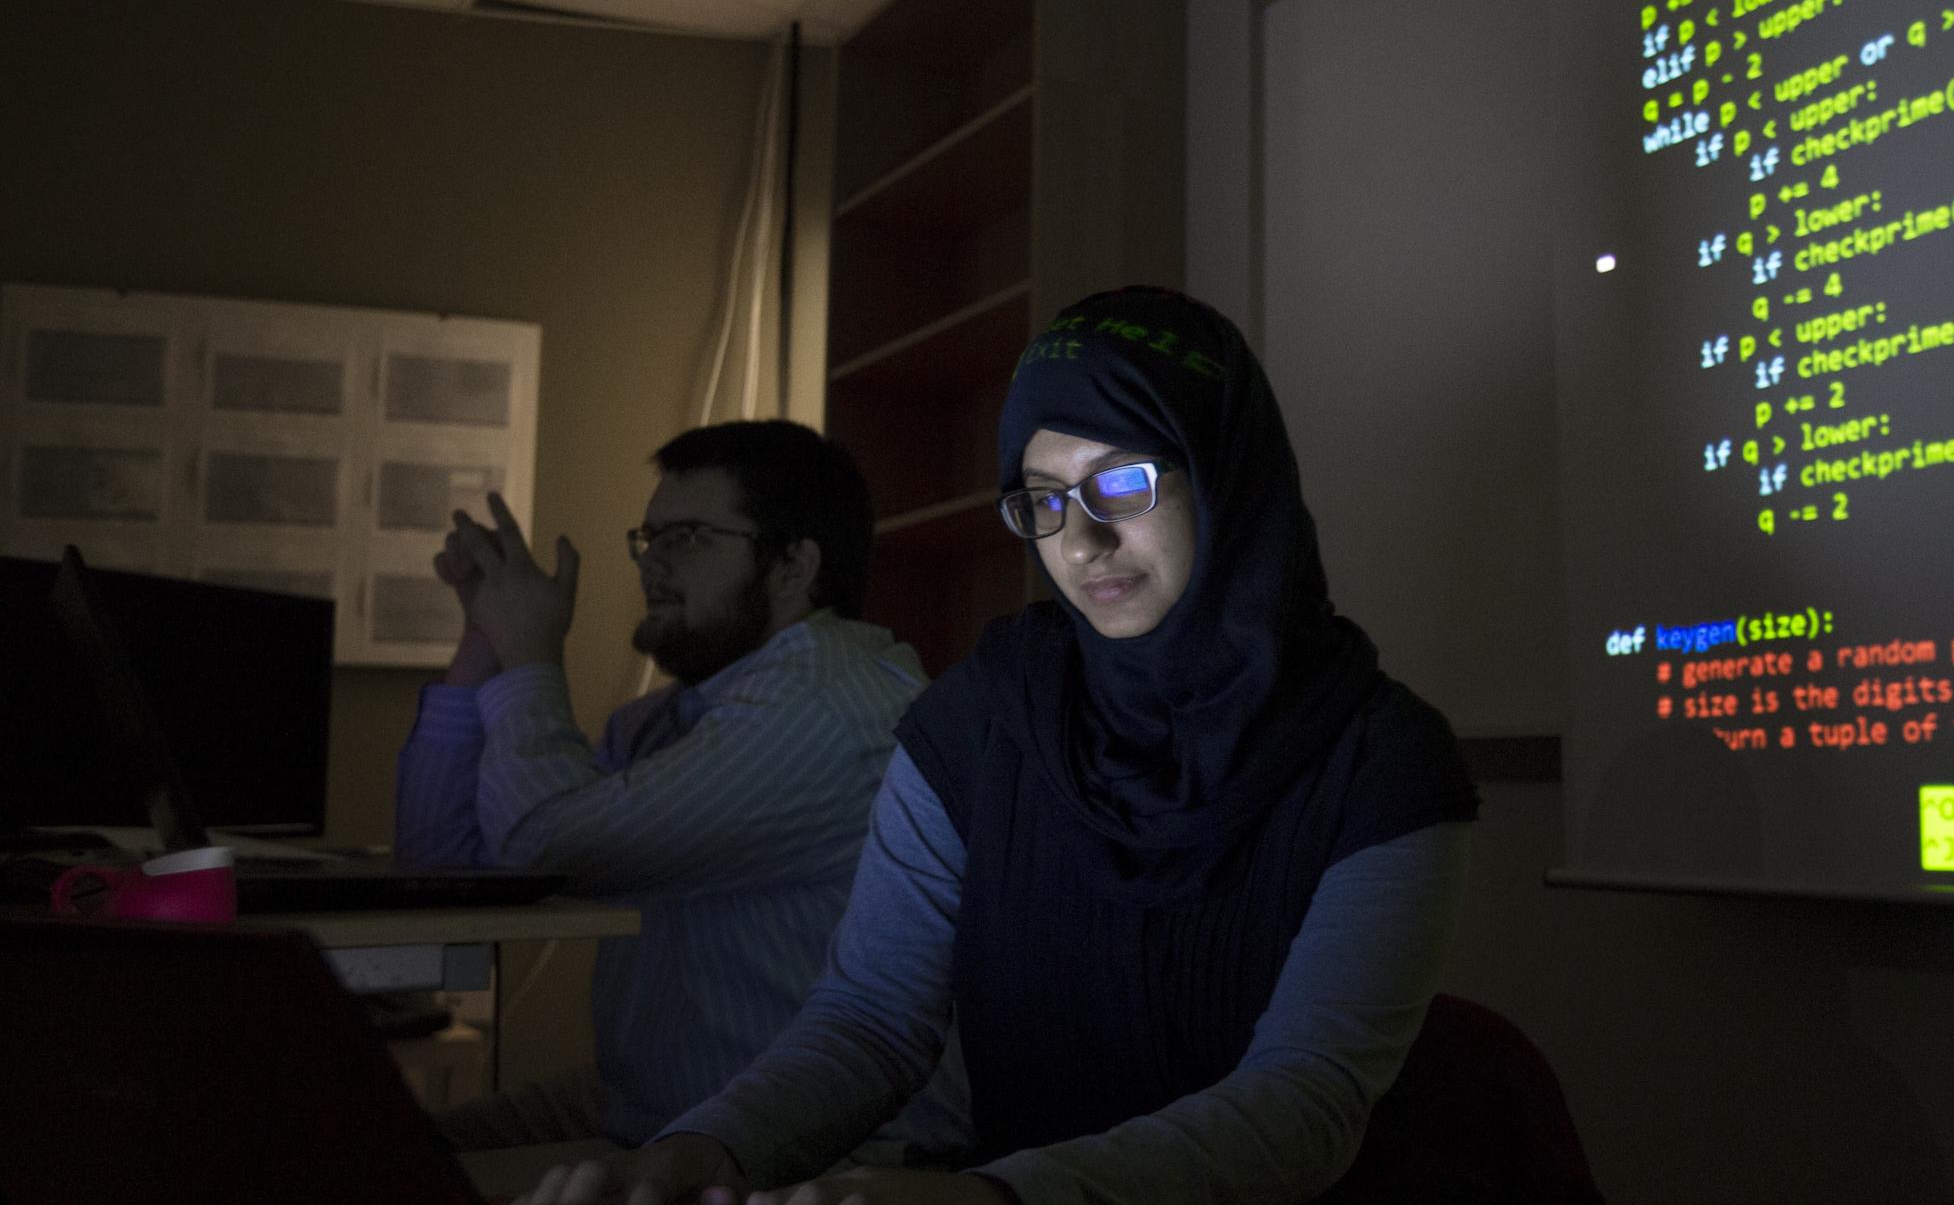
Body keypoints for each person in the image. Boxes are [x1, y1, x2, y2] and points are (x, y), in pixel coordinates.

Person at [527, 289, 1480, 1204]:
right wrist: (699, 1152)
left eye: (1121, 482)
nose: (1082, 542)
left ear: (1223, 475)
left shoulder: (1382, 764)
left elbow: (1302, 1107)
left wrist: (997, 1197)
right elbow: (869, 1025)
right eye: (1042, 497)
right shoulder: (981, 722)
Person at [394, 419, 965, 1156]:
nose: (650, 565)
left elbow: (544, 844)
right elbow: (441, 869)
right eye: (649, 537)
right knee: (386, 1153)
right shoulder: (674, 718)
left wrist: (532, 652)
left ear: (793, 566)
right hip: (656, 1106)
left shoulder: (826, 703)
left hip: (827, 1155)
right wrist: (486, 635)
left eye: (687, 537)